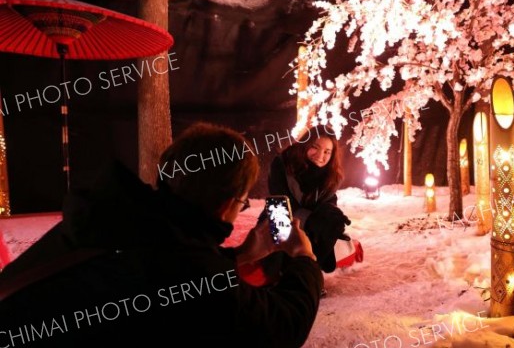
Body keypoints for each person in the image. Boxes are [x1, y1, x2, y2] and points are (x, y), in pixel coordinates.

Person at [0, 121, 323, 348]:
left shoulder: (110, 218)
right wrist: (304, 259)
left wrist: (239, 256)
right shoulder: (190, 272)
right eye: (242, 202)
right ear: (226, 204)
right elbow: (279, 328)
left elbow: (157, 264)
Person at [251, 125, 355, 290]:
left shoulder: (331, 175)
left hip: (309, 222)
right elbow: (281, 201)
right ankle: (278, 277)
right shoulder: (283, 164)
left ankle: (309, 274)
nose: (320, 156)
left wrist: (331, 215)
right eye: (315, 147)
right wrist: (311, 218)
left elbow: (329, 200)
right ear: (305, 145)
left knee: (329, 223)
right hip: (280, 216)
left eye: (327, 152)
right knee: (283, 228)